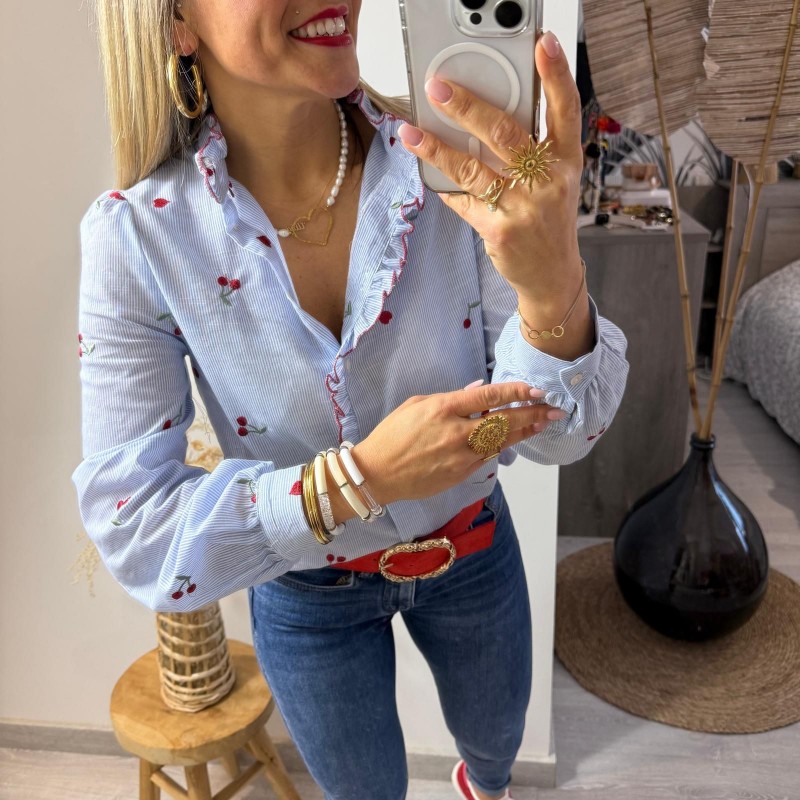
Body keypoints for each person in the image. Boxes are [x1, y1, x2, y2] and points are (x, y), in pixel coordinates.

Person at [73, 2, 628, 798]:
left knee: (496, 750)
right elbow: (136, 526)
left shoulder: (454, 166)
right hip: (306, 594)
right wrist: (361, 479)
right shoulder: (139, 238)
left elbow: (557, 438)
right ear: (177, 21)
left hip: (471, 546)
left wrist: (553, 289)